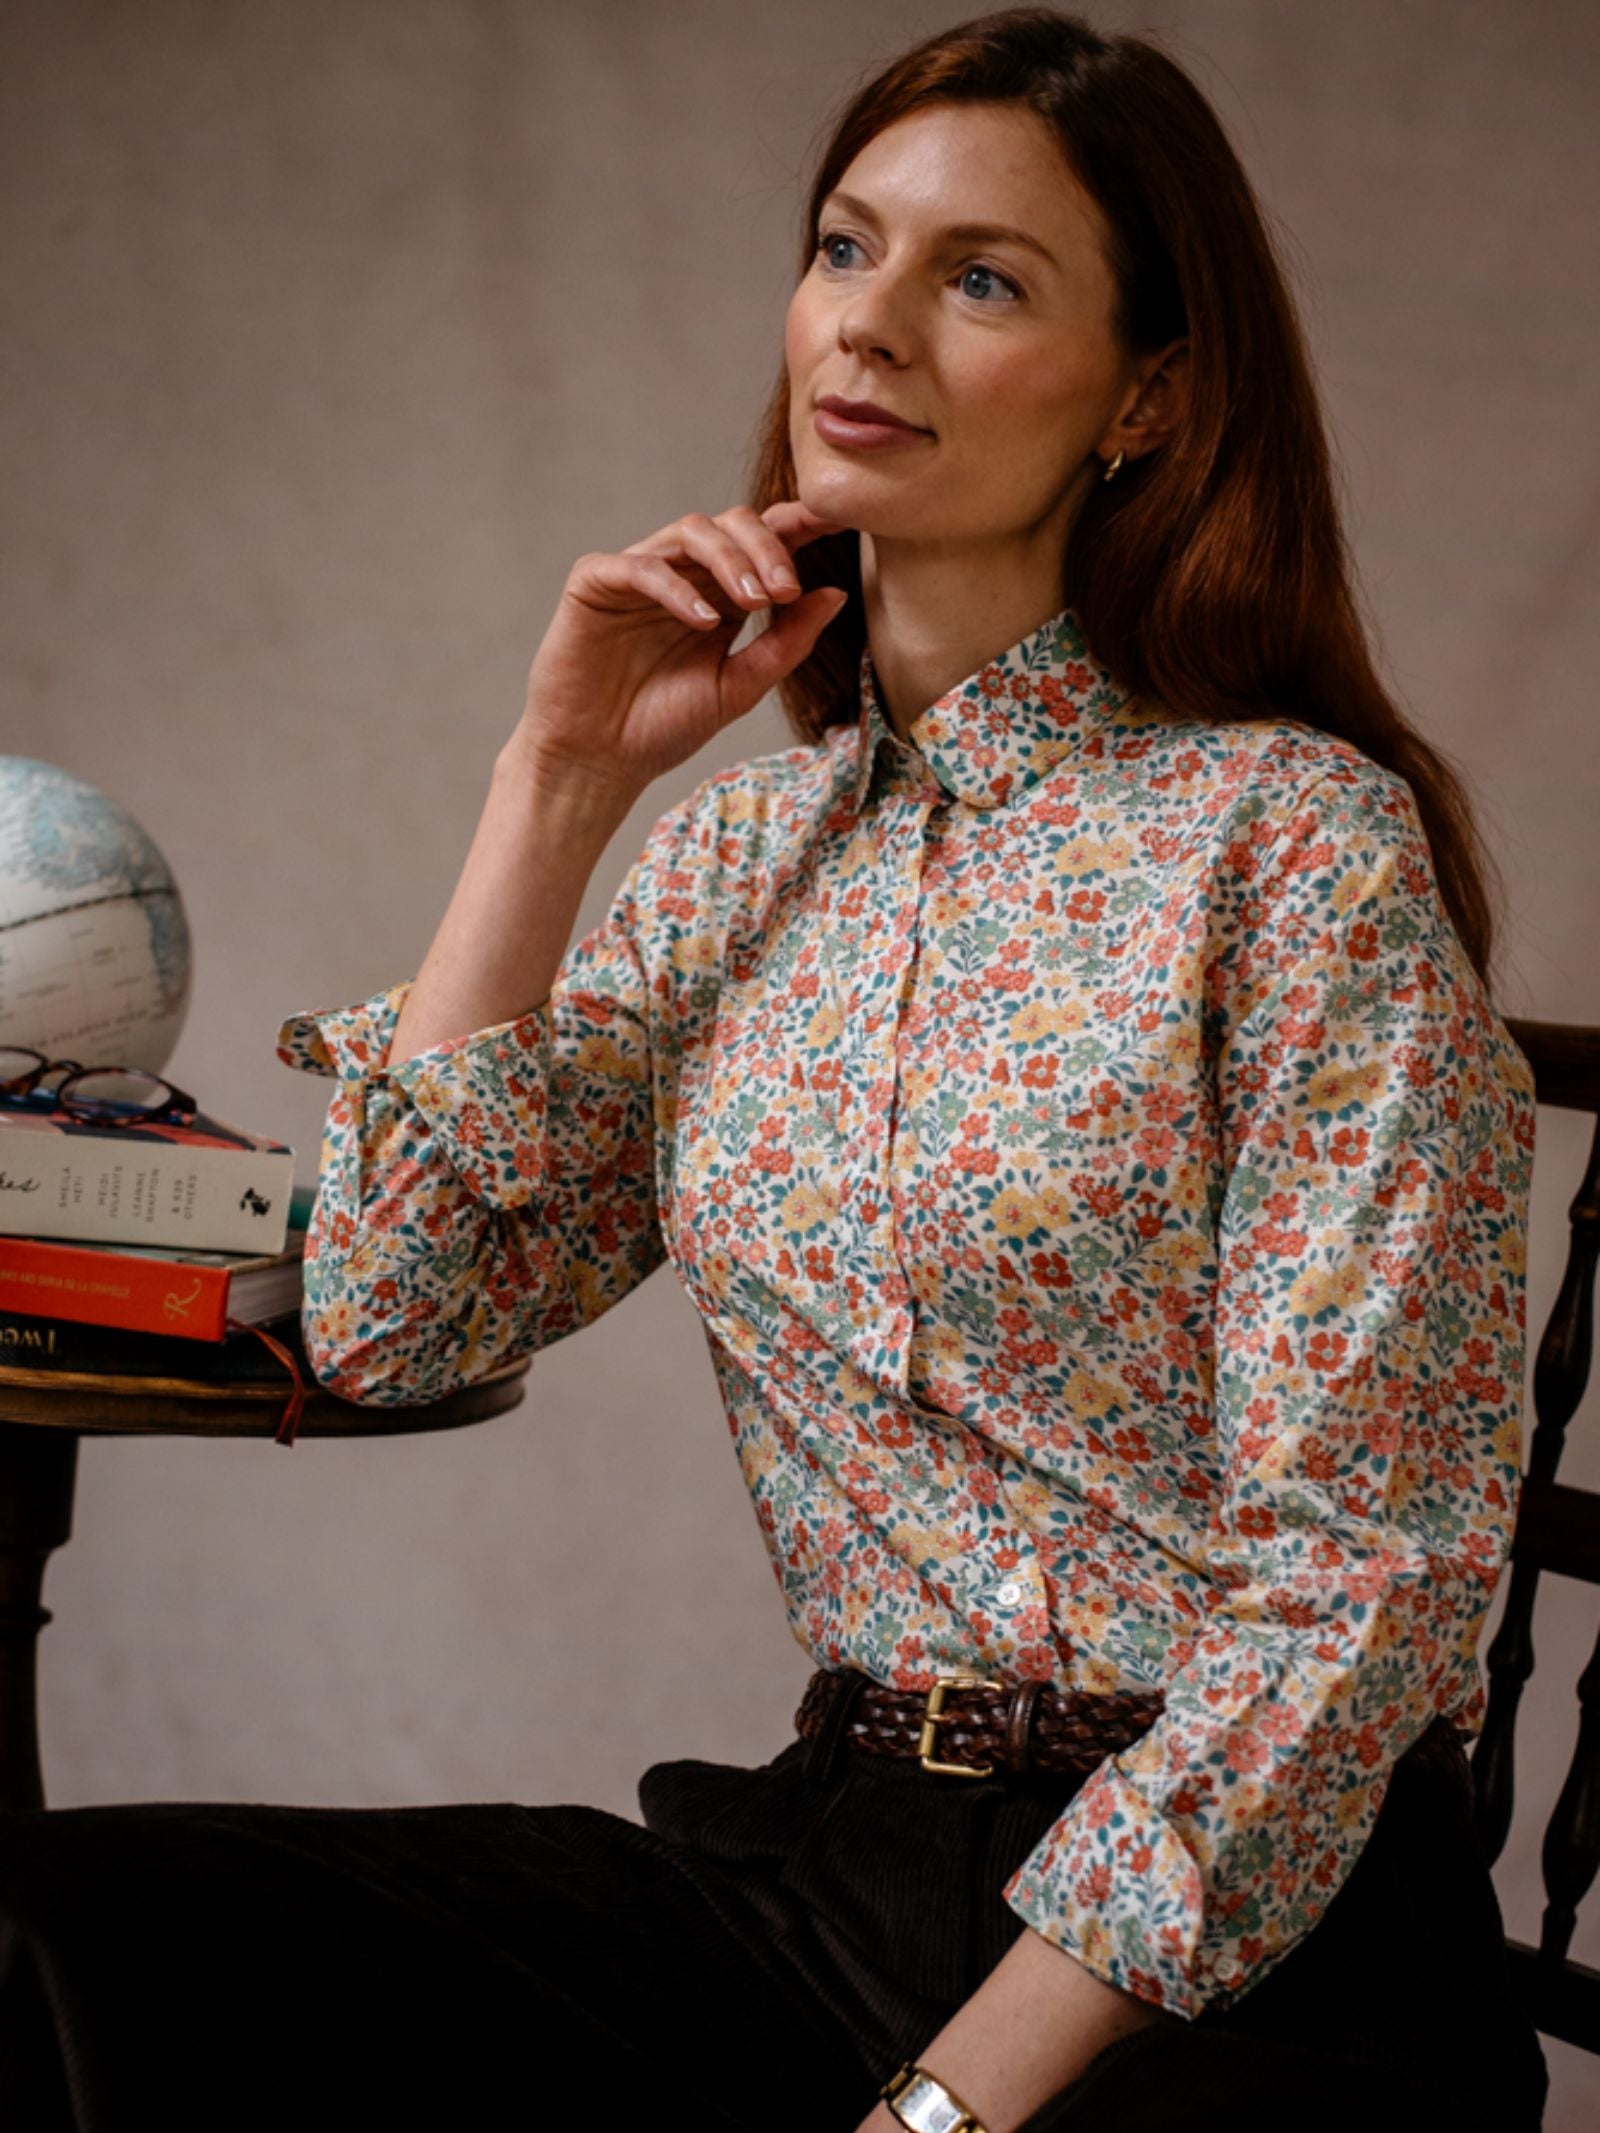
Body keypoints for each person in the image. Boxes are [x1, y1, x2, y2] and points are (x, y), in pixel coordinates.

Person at [0, 8, 1551, 2130]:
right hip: (823, 1868)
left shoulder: (1290, 848)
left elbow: (1358, 1588)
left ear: (1152, 396)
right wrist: (547, 784)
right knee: (75, 1935)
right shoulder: (748, 849)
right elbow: (386, 1314)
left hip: (1230, 1948)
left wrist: (940, 2111)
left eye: (978, 276)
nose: (872, 323)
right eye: (845, 245)